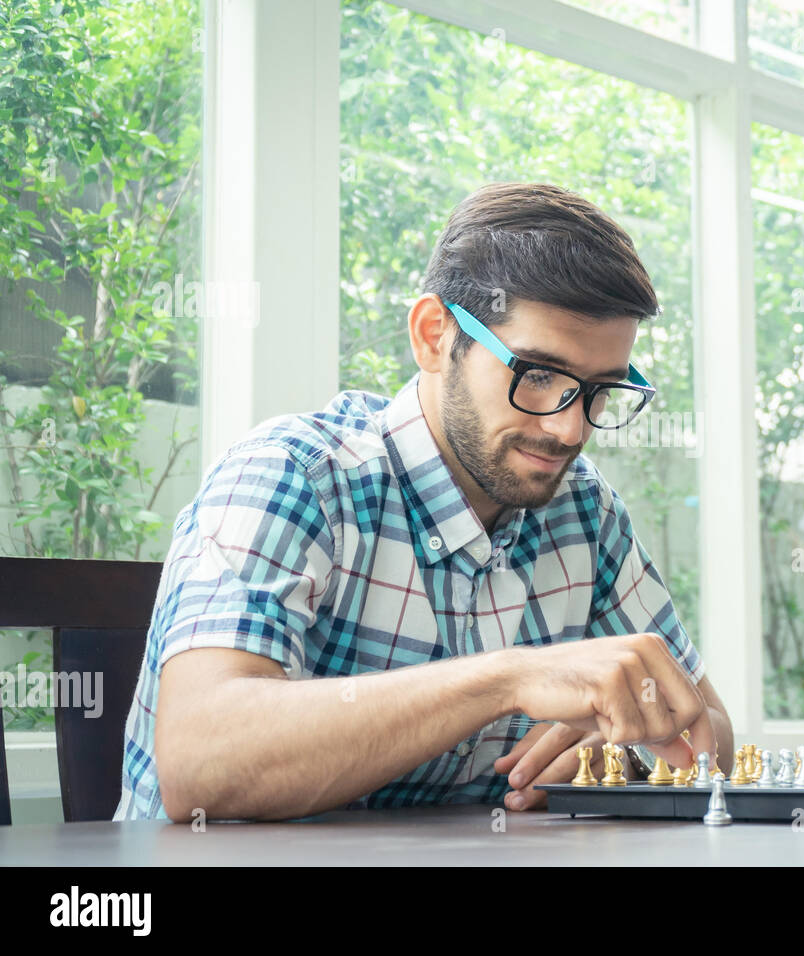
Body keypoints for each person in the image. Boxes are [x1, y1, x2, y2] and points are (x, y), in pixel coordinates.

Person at [113, 182, 732, 822]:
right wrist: (509, 678)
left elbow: (707, 730)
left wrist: (624, 749)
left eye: (599, 391)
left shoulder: (583, 511)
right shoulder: (295, 475)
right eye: (539, 376)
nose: (569, 429)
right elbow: (200, 762)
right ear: (435, 335)